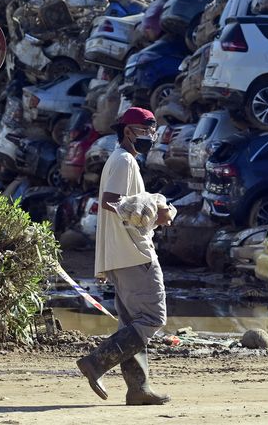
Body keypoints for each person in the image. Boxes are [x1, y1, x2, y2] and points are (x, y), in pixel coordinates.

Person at [76, 107, 172, 405]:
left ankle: (138, 388)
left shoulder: (120, 160)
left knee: (133, 323)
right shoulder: (124, 160)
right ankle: (97, 362)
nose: (151, 136)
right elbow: (110, 202)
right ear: (128, 131)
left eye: (153, 130)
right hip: (133, 253)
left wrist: (151, 209)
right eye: (146, 130)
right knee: (154, 317)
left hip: (121, 254)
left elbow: (122, 204)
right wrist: (155, 209)